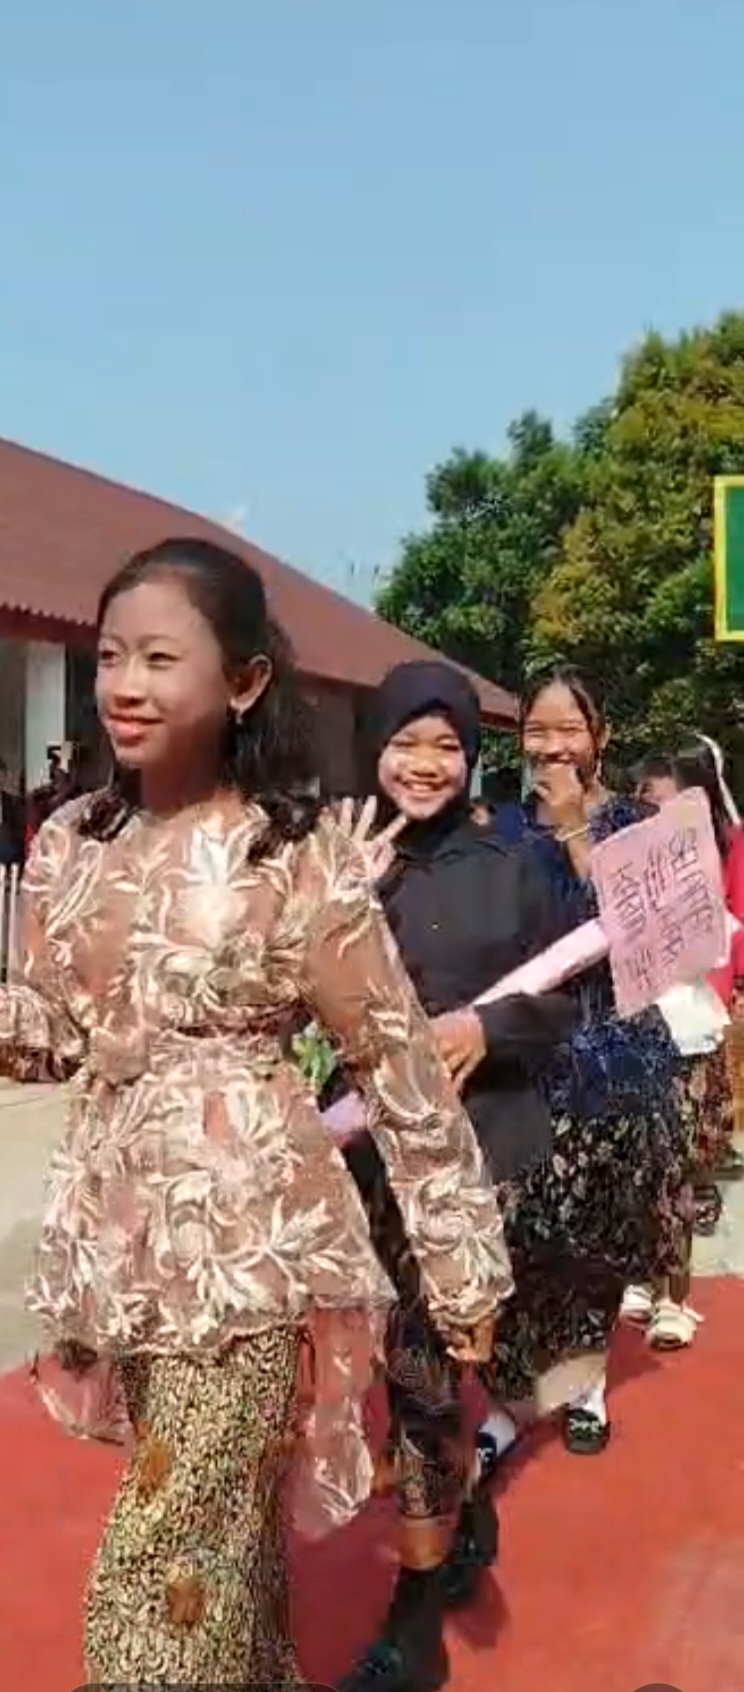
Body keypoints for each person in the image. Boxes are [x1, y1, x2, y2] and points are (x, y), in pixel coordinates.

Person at [0, 536, 512, 1687]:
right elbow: (56, 1036)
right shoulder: (71, 844)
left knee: (155, 1589)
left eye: (160, 659)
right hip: (119, 1249)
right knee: (225, 1565)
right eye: (110, 656)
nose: (124, 685)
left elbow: (398, 1067)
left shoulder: (295, 860)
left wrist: (462, 1263)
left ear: (245, 681)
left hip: (249, 1260)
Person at [320, 662, 576, 1689]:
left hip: (480, 1154)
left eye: (446, 747)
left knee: (423, 1369)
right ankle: (458, 1517)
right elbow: (286, 990)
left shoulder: (516, 863)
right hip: (370, 1154)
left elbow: (575, 999)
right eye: (405, 744)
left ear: (472, 755)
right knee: (402, 1367)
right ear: (374, 748)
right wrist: (332, 898)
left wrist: (488, 1026)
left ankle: (415, 1618)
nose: (424, 765)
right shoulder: (342, 855)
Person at [484, 666, 687, 1455]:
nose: (552, 746)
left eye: (569, 729)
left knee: (595, 1237)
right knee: (515, 1235)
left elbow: (639, 938)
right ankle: (511, 1394)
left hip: (613, 1059)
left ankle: (586, 1383)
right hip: (524, 1059)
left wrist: (575, 829)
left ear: (601, 736)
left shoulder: (639, 825)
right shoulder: (500, 826)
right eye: (537, 730)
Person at [633, 742, 743, 1253]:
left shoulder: (730, 845)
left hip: (698, 1013)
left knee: (688, 1144)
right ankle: (649, 1256)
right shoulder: (637, 847)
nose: (650, 808)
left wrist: (727, 987)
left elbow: (736, 922)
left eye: (659, 797)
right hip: (645, 1011)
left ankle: (673, 1262)